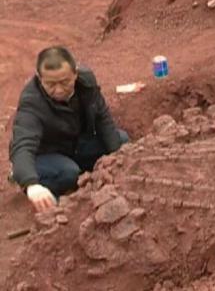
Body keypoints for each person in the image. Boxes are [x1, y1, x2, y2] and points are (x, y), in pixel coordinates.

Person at [9, 46, 128, 212]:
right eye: (50, 84)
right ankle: (25, 176)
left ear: (75, 73)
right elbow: (23, 145)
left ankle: (82, 176)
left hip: (75, 144)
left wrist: (118, 162)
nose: (58, 90)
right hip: (45, 154)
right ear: (39, 78)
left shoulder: (86, 82)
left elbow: (103, 118)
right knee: (69, 172)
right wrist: (30, 183)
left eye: (65, 82)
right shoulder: (31, 102)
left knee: (120, 140)